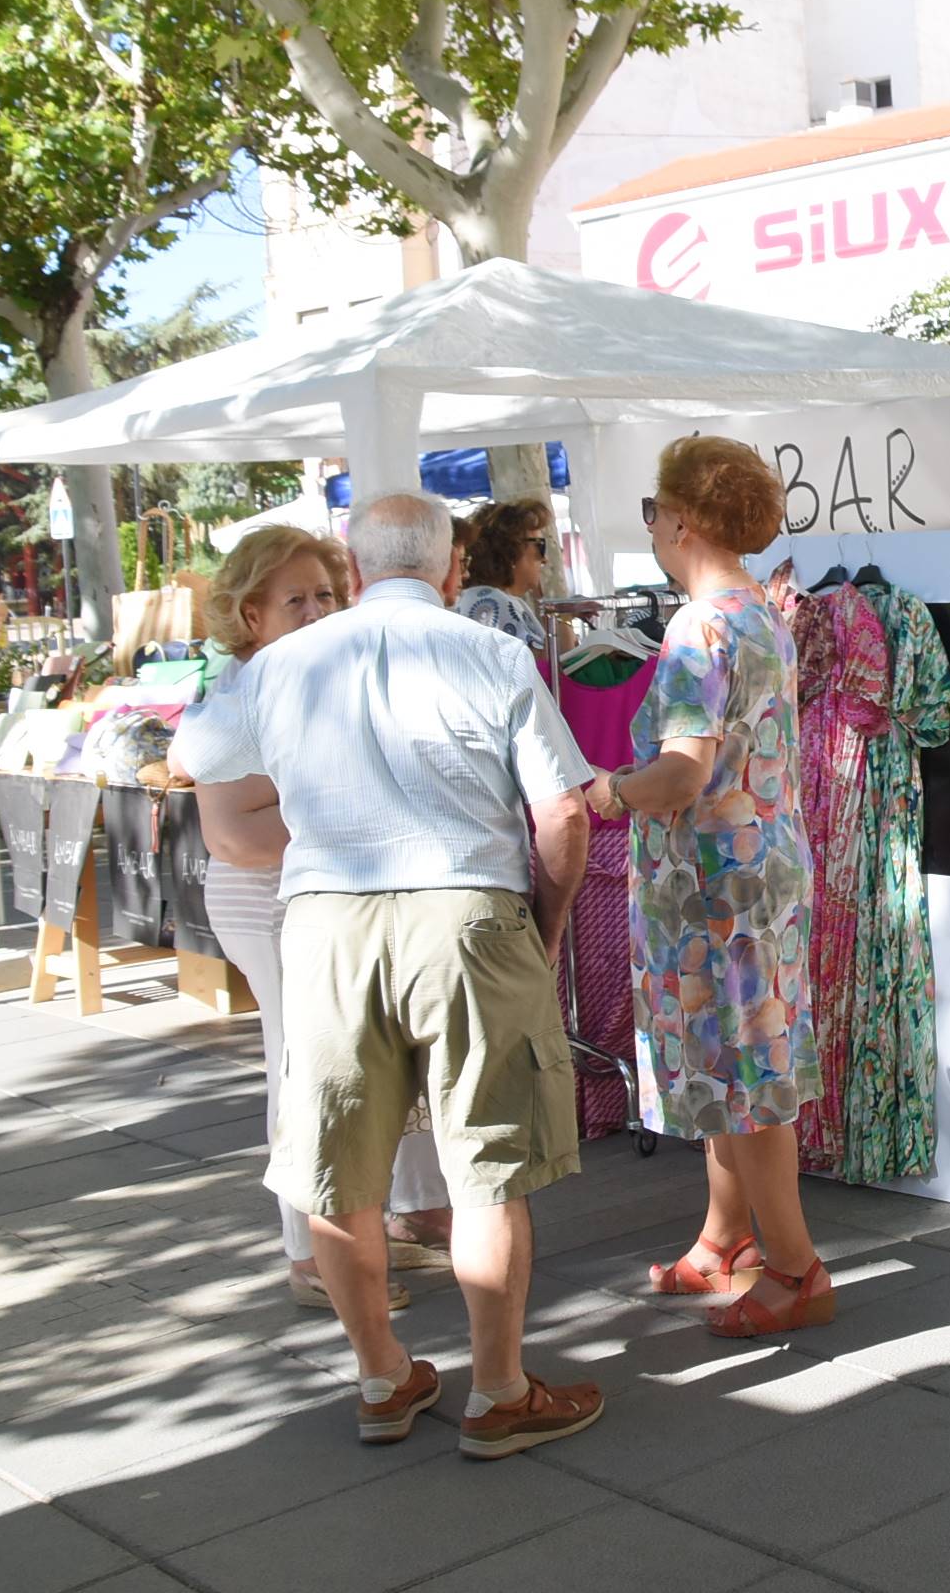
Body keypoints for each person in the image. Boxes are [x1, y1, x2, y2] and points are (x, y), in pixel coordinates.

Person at [179, 493, 604, 1457]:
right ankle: (497, 1390)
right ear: (453, 568)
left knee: (341, 1171)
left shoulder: (280, 664)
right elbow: (565, 816)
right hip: (466, 909)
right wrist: (545, 922)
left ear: (357, 572)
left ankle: (381, 1375)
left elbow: (192, 751)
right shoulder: (490, 651)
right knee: (489, 1167)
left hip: (329, 919)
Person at [172, 529, 455, 1310]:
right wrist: (350, 805)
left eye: (325, 594)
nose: (314, 610)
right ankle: (308, 1253)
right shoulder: (237, 697)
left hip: (333, 889)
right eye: (292, 598)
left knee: (381, 1055)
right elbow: (236, 836)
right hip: (270, 900)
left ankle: (412, 1215)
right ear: (249, 613)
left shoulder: (326, 675)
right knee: (307, 1068)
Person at [591, 436, 833, 1337]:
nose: (652, 528)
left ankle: (796, 1267)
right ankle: (725, 1239)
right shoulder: (761, 610)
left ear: (682, 518)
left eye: (654, 512)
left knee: (744, 1076)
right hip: (758, 873)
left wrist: (610, 790)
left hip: (715, 893)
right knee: (739, 1068)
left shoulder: (699, 626)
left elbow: (682, 775)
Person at [451, 499, 554, 656]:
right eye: (540, 546)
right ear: (511, 550)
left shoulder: (485, 597)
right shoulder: (495, 603)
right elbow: (547, 670)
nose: (544, 559)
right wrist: (562, 616)